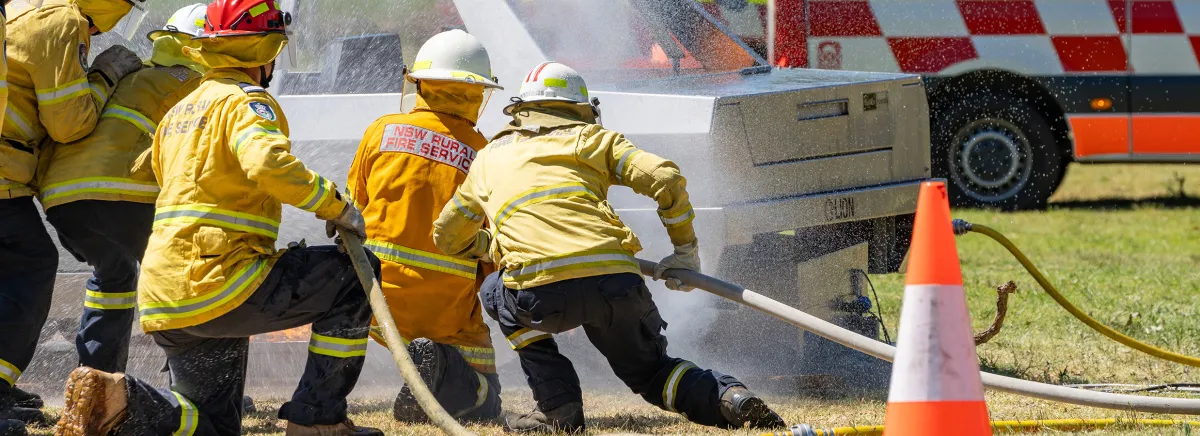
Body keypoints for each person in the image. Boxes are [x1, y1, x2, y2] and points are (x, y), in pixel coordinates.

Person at [53, 1, 382, 435]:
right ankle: (317, 419)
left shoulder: (178, 112)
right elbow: (268, 164)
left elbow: (146, 168)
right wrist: (337, 206)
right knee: (353, 275)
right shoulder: (247, 101)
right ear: (266, 52)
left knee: (212, 424)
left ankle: (117, 395)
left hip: (168, 295)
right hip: (223, 281)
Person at [433, 61, 788, 433]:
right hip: (616, 283)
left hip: (539, 294)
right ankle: (728, 399)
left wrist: (495, 247)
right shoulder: (595, 140)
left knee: (494, 290)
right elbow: (665, 178)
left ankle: (559, 409)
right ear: (582, 108)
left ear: (522, 110)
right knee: (651, 372)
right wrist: (686, 253)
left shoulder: (489, 158)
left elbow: (447, 236)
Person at [37, 3, 208, 377]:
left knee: (114, 274)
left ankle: (97, 380)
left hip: (63, 201)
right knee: (187, 275)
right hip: (124, 194)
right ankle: (201, 385)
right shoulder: (200, 86)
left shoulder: (133, 76)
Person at [345, 29, 504, 422]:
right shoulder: (484, 154)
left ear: (419, 83)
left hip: (376, 298)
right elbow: (490, 245)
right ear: (477, 92)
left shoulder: (380, 131)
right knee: (488, 400)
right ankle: (443, 366)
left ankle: (329, 396)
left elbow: (352, 209)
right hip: (446, 309)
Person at [1, 0, 143, 430]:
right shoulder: (61, 20)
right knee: (30, 262)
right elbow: (70, 123)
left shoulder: (25, 8)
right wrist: (105, 74)